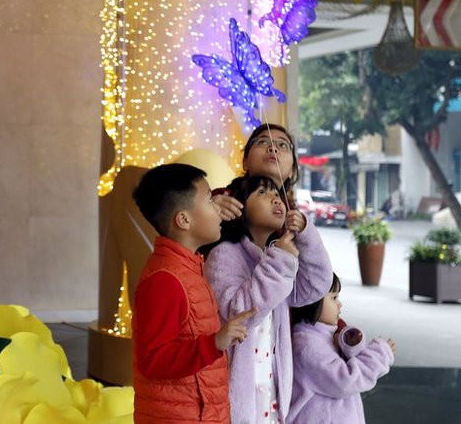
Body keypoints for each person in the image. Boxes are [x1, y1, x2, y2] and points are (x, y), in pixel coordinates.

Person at [132, 163, 256, 423]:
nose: (219, 207)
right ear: (184, 219)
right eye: (211, 199)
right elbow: (152, 359)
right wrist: (215, 343)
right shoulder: (165, 280)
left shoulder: (188, 266)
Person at [203, 174, 332, 423]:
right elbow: (239, 312)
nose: (275, 198)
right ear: (240, 208)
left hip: (272, 395)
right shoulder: (223, 255)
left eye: (276, 193)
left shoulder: (274, 257)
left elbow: (316, 283)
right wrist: (279, 261)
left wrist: (306, 234)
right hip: (238, 400)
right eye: (262, 192)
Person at [288, 273, 395, 423]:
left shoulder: (322, 337)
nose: (340, 304)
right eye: (334, 298)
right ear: (312, 301)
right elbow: (345, 380)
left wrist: (350, 345)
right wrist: (379, 355)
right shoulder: (307, 347)